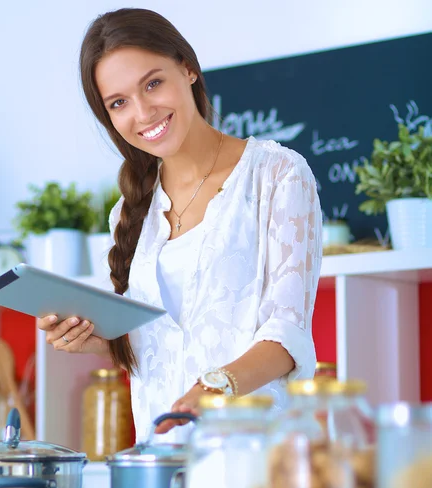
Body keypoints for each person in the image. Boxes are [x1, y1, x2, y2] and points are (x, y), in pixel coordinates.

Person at [37, 8, 323, 444]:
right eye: (119, 103)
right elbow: (159, 345)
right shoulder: (130, 211)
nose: (143, 112)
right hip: (160, 459)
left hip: (256, 456)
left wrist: (212, 388)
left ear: (188, 69)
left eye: (152, 83)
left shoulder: (277, 174)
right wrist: (99, 339)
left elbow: (287, 337)